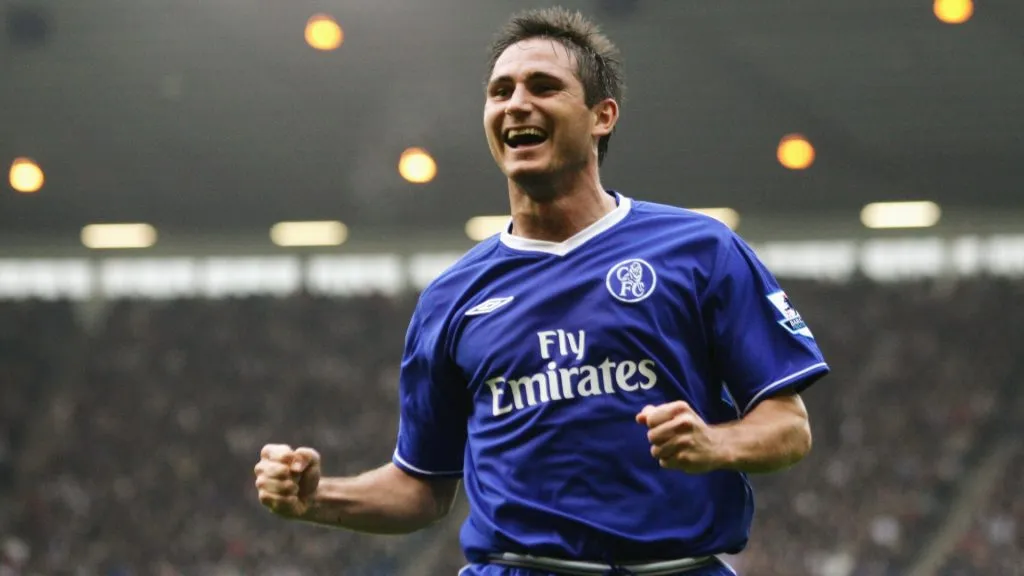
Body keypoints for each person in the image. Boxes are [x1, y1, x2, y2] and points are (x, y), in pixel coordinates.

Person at [254, 7, 830, 575]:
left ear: (602, 116)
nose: (516, 104)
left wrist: (715, 443)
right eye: (500, 90)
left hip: (679, 568)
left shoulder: (698, 250)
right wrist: (317, 497)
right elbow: (421, 488)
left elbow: (788, 425)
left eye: (544, 86)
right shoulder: (452, 297)